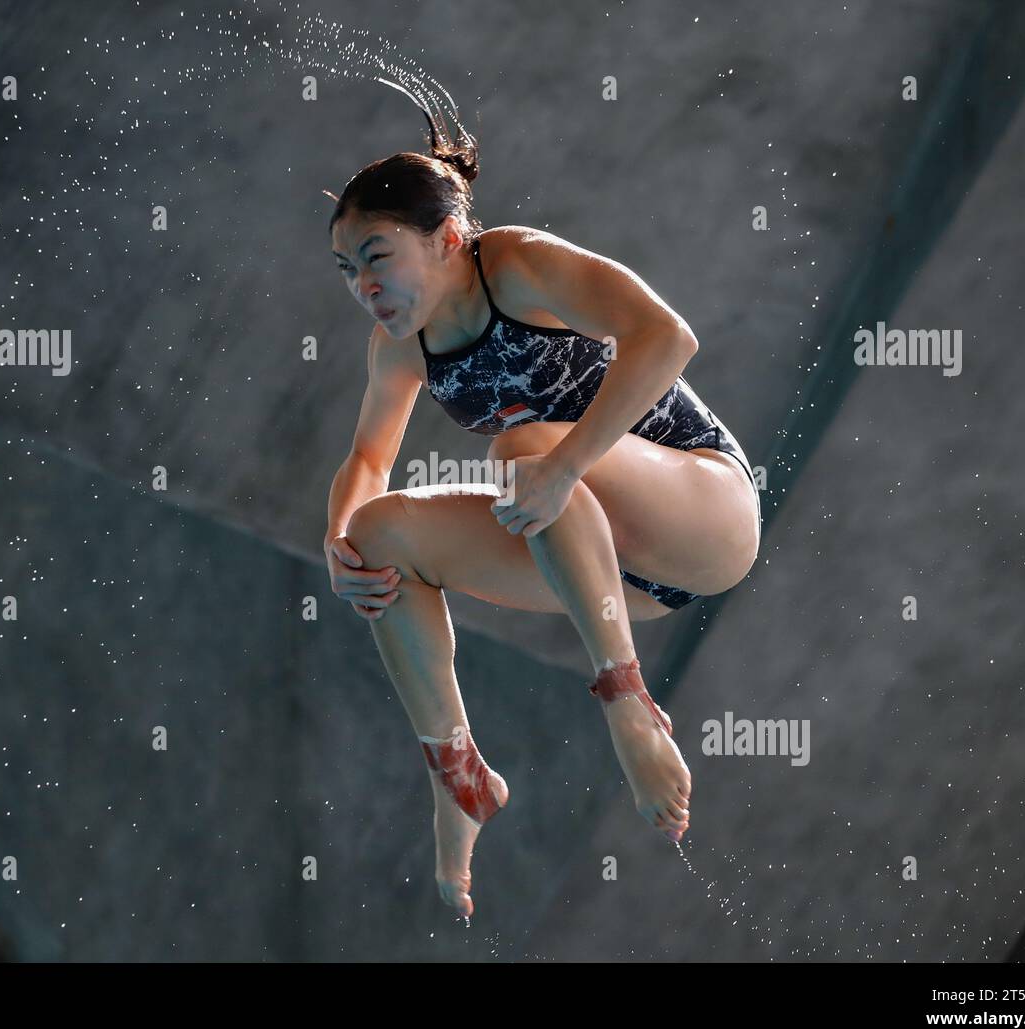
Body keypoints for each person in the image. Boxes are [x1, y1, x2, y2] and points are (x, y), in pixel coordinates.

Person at [323, 116, 760, 921]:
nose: (365, 287)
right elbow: (367, 460)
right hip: (615, 570)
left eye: (378, 258)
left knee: (521, 450)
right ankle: (454, 772)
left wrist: (564, 465)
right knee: (377, 534)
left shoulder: (516, 264)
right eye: (348, 271)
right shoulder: (401, 348)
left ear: (449, 237)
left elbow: (668, 336)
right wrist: (336, 540)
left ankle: (627, 702)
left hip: (706, 506)